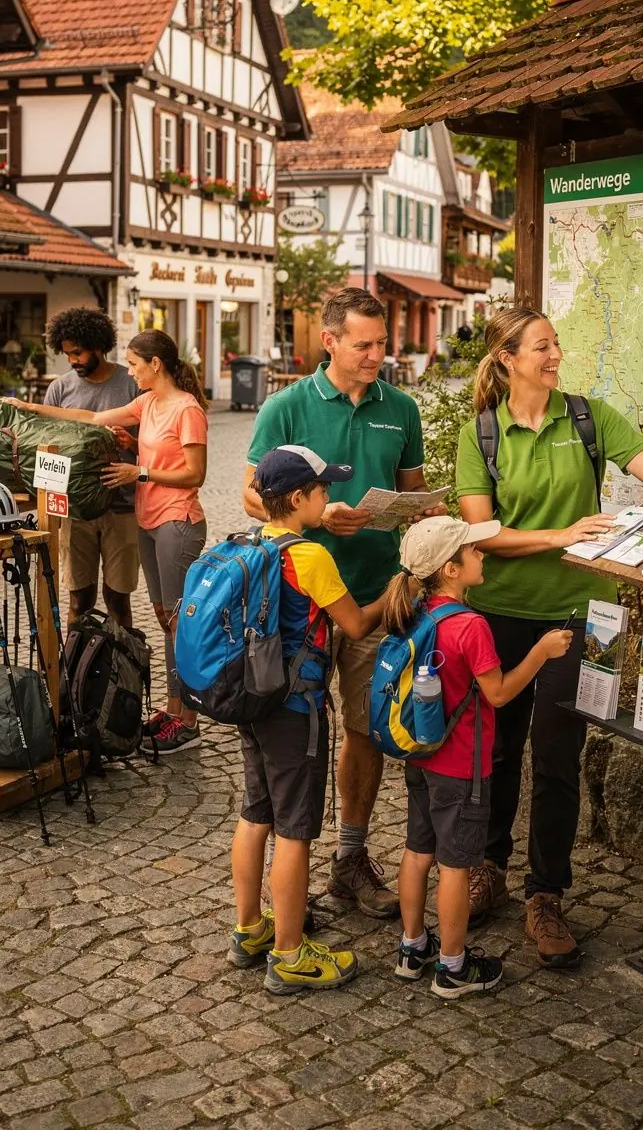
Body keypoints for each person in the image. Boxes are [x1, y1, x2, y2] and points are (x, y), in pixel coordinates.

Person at [455, 306, 643, 967]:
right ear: (508, 359)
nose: (555, 356)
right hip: (498, 613)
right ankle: (488, 868)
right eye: (542, 347)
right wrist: (563, 536)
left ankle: (545, 894)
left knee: (556, 756)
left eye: (556, 344)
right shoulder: (481, 433)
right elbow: (481, 531)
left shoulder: (590, 418)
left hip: (581, 614)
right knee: (497, 749)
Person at [244, 287, 441, 919]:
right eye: (364, 345)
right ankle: (283, 883)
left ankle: (350, 860)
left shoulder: (401, 408)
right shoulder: (287, 406)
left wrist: (420, 514)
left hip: (375, 595)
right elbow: (252, 495)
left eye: (382, 343)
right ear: (329, 341)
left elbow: (413, 493)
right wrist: (319, 516)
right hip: (295, 603)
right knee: (291, 735)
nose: (377, 355)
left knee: (365, 730)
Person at [386, 516, 573, 998]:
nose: (482, 553)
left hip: (421, 756)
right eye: (473, 550)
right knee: (455, 864)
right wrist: (541, 652)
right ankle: (453, 967)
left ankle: (412, 948)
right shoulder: (470, 626)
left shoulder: (415, 611)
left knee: (417, 851)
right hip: (460, 766)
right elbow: (500, 693)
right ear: (450, 569)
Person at [229, 445, 388, 993]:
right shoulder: (310, 556)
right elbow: (357, 624)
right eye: (323, 490)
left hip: (253, 698)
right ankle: (289, 954)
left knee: (255, 813)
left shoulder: (251, 543)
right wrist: (396, 592)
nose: (329, 497)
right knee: (295, 830)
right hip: (295, 708)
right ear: (298, 498)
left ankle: (249, 928)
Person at [9, 328, 209, 757]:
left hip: (177, 522)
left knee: (180, 621)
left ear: (155, 364)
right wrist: (29, 407)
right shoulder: (149, 402)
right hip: (149, 519)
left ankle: (188, 722)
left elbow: (195, 473)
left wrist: (139, 472)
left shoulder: (187, 409)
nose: (130, 372)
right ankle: (172, 708)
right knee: (165, 618)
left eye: (135, 364)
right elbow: (91, 418)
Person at [43, 307, 140, 629]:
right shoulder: (60, 389)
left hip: (123, 508)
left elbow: (154, 449)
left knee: (118, 601)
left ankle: (121, 660)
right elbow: (45, 446)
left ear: (99, 345)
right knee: (78, 600)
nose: (72, 360)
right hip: (75, 512)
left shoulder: (132, 385)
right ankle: (75, 659)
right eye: (67, 354)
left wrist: (131, 444)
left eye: (78, 352)